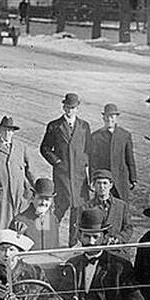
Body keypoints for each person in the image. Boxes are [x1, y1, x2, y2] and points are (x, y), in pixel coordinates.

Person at [66, 208, 148, 300]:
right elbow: (65, 298)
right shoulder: (72, 264)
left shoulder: (120, 267)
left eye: (95, 237)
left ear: (104, 237)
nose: (91, 242)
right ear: (79, 236)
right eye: (87, 237)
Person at [40, 92, 91, 227]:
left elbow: (89, 150)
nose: (70, 110)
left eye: (73, 108)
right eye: (68, 107)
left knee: (79, 211)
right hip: (62, 175)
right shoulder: (54, 126)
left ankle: (73, 244)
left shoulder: (84, 126)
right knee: (59, 208)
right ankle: (49, 236)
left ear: (77, 108)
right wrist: (57, 162)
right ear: (63, 107)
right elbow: (45, 148)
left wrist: (84, 164)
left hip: (80, 177)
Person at [86, 102, 136, 206]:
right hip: (103, 181)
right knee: (102, 206)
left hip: (121, 178)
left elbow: (129, 158)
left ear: (116, 118)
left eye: (112, 117)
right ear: (103, 118)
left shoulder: (124, 135)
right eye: (107, 116)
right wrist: (92, 179)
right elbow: (93, 161)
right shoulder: (96, 136)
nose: (109, 119)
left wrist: (133, 178)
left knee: (122, 206)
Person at [68, 168, 132, 246]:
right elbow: (78, 231)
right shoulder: (85, 207)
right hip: (94, 248)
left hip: (116, 249)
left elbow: (128, 228)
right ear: (94, 186)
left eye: (105, 183)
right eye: (99, 183)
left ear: (111, 185)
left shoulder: (121, 206)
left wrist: (118, 238)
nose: (102, 187)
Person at [9, 177, 62, 251]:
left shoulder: (53, 220)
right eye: (40, 198)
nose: (43, 202)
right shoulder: (19, 221)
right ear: (33, 196)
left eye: (47, 199)